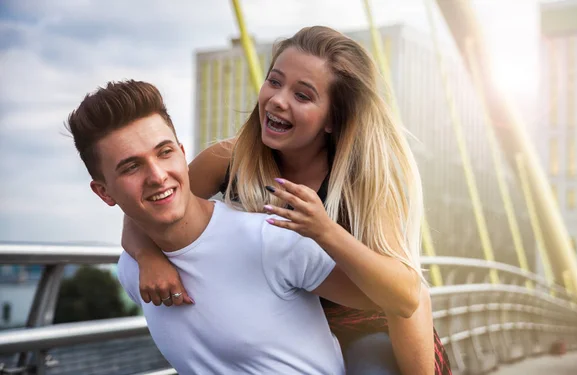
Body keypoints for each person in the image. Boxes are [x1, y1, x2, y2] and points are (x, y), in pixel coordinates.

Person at [122, 26, 452, 375]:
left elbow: (406, 296)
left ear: (333, 120)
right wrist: (147, 257)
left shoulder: (362, 181)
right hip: (286, 330)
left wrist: (323, 230)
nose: (278, 100)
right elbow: (150, 206)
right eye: (275, 82)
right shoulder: (229, 158)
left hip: (368, 328)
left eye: (303, 96)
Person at [67, 79, 398, 374]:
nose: (157, 176)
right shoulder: (133, 272)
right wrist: (144, 255)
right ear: (104, 192)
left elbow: (395, 303)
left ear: (183, 154)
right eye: (131, 167)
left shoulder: (271, 239)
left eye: (165, 152)